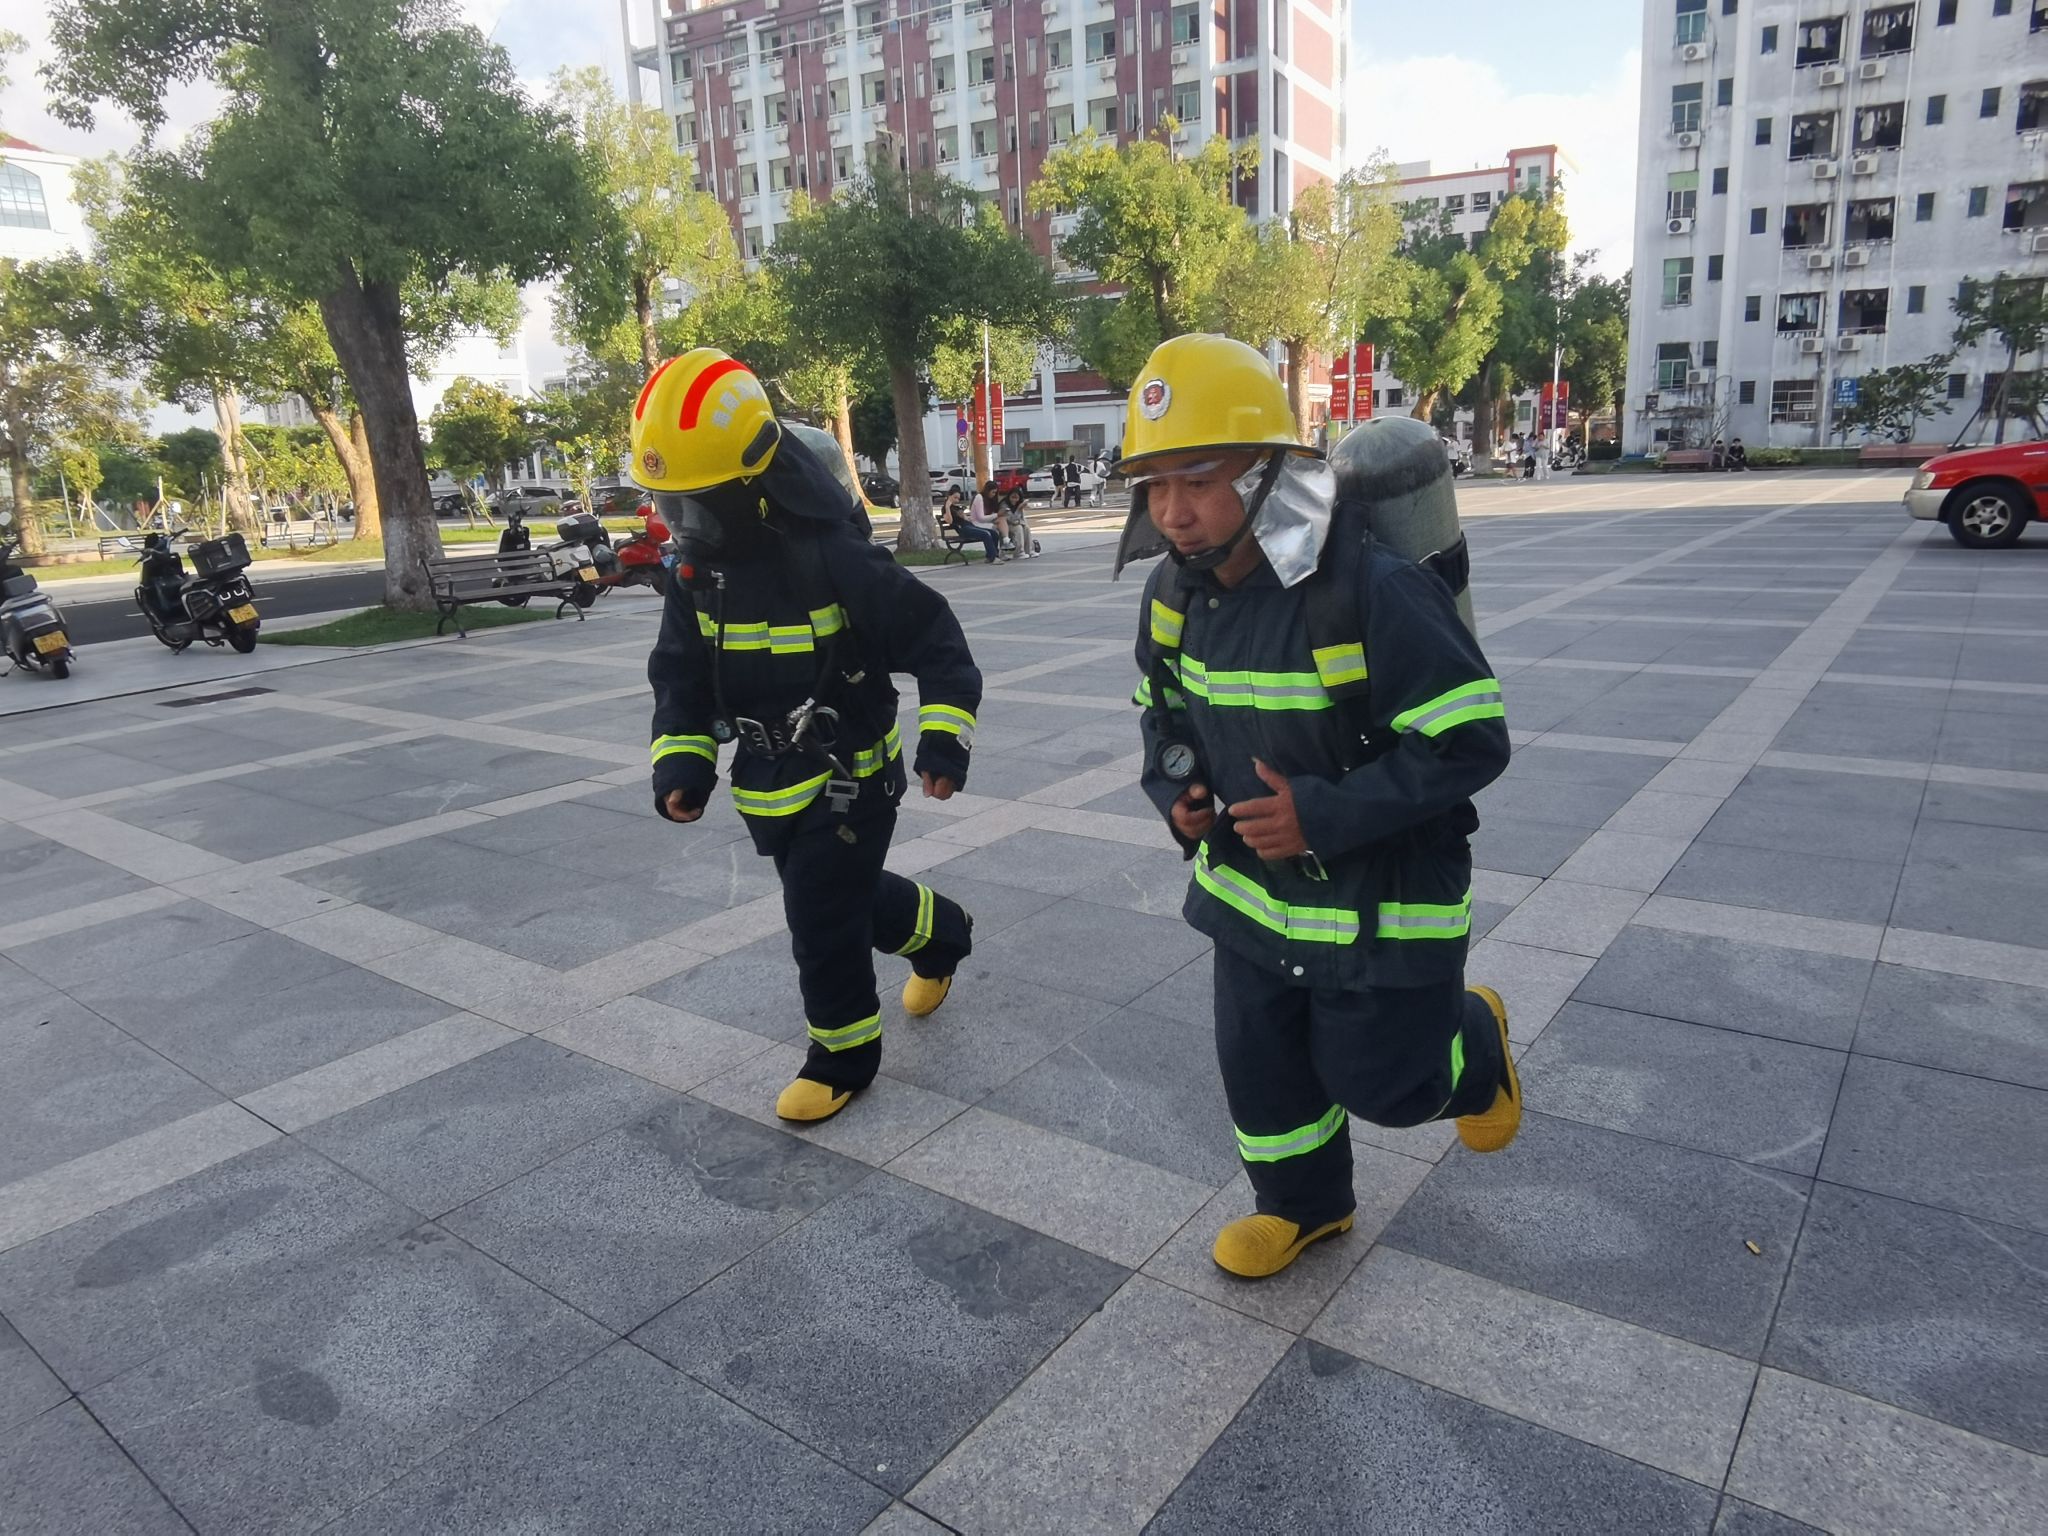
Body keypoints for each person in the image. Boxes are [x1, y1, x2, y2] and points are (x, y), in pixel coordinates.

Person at [1118, 334, 1518, 1280]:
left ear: (1266, 472)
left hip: (1385, 898)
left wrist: (1325, 814)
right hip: (1252, 893)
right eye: (1154, 485)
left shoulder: (1374, 590)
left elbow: (1471, 739)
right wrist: (1178, 790)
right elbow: (1162, 712)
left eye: (1198, 481)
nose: (1172, 512)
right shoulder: (1173, 594)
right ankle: (1305, 1207)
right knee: (1260, 1070)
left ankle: (1472, 1046)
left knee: (1386, 1086)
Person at [636, 349, 981, 1124]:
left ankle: (843, 1057)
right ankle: (942, 933)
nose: (682, 526)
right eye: (668, 506)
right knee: (841, 899)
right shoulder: (695, 577)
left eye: (696, 506)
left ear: (753, 485)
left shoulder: (830, 555)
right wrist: (682, 764)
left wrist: (944, 740)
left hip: (850, 776)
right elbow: (680, 677)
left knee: (820, 916)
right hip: (768, 783)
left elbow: (936, 639)